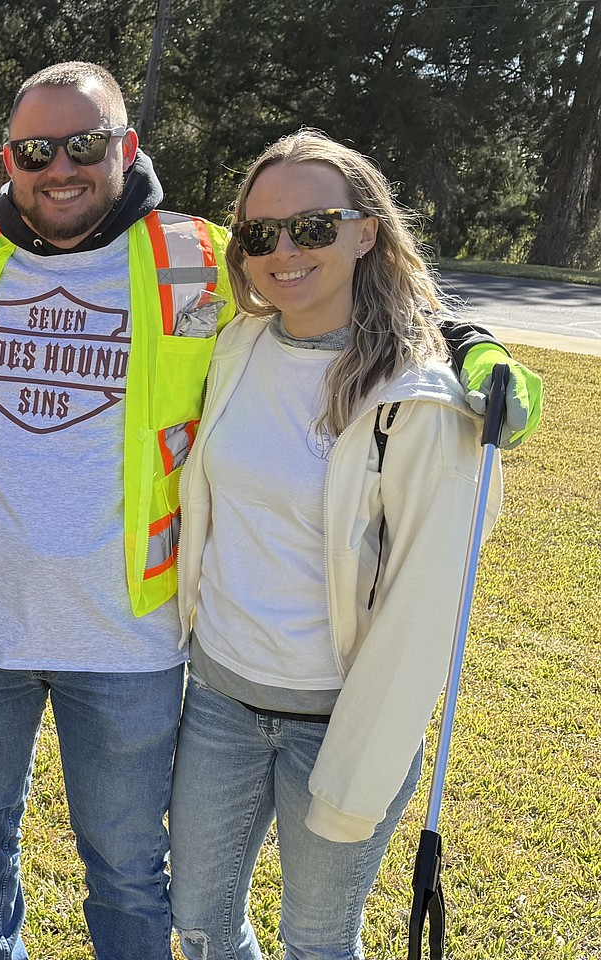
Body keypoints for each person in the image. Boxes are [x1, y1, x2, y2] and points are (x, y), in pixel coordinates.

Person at [0, 62, 541, 958]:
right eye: (35, 151)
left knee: (125, 868)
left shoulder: (195, 256)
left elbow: (333, 282)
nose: (60, 168)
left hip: (129, 638)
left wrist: (471, 341)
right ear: (10, 158)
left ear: (129, 146)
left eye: (86, 144)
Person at [166, 130, 502, 960]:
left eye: (313, 227)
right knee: (202, 928)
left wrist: (362, 770)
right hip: (218, 703)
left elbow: (427, 616)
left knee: (318, 943)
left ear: (365, 233)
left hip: (340, 720)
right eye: (259, 234)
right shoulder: (235, 345)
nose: (283, 251)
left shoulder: (423, 399)